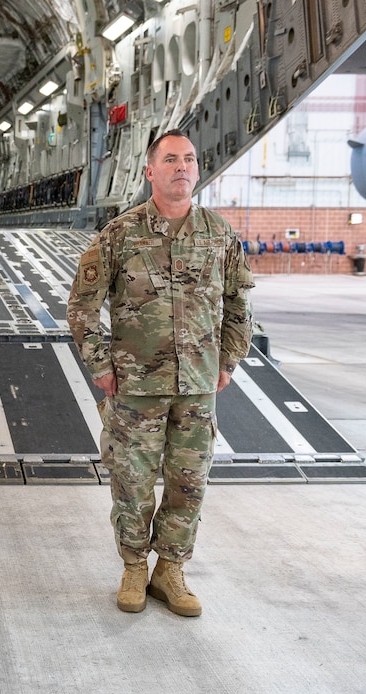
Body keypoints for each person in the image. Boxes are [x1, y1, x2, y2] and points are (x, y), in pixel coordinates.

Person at [66, 128, 254, 617]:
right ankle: (132, 567)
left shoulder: (220, 236)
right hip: (135, 387)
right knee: (132, 480)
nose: (182, 167)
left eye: (189, 159)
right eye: (171, 159)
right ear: (150, 171)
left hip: (197, 386)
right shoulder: (119, 235)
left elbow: (240, 304)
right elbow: (82, 307)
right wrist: (101, 366)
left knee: (188, 481)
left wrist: (227, 361)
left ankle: (170, 570)